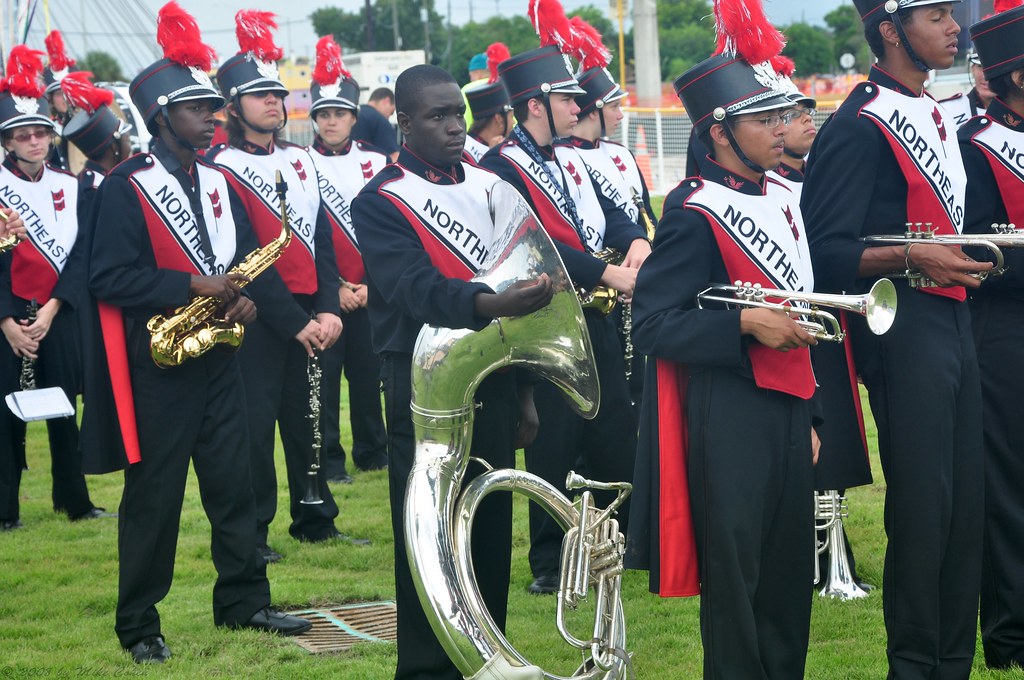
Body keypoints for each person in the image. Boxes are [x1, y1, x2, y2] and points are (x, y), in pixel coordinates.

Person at [86, 2, 312, 662]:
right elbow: (107, 277)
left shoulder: (218, 181)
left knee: (235, 483)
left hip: (221, 357)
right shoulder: (124, 188)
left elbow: (243, 268)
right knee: (154, 499)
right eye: (197, 110)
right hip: (159, 366)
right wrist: (189, 287)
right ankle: (140, 626)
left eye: (213, 107)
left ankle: (244, 601)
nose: (213, 116)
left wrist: (245, 306)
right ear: (162, 117)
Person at [624, 1, 821, 673]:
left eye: (777, 117)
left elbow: (802, 316)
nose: (778, 128)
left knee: (792, 574)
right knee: (736, 581)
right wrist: (741, 322)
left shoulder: (784, 198)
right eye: (761, 120)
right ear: (718, 132)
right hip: (728, 411)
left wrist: (814, 412)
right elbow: (652, 323)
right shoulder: (690, 213)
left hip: (792, 406)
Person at [802, 1, 989, 676]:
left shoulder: (938, 111)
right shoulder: (856, 126)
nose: (953, 27)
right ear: (889, 28)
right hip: (902, 324)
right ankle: (914, 665)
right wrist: (917, 258)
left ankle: (951, 662)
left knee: (966, 502)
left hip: (955, 315)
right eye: (936, 15)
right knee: (923, 508)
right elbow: (822, 252)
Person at [351, 63, 552, 680]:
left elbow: (517, 269)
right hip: (420, 381)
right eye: (437, 116)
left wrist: (523, 391)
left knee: (489, 526)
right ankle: (425, 669)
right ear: (404, 123)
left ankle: (486, 661)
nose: (454, 127)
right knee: (429, 539)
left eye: (457, 114)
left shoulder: (491, 185)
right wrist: (488, 304)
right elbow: (412, 289)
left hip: (491, 373)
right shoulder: (379, 198)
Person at [480, 0, 646, 595]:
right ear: (533, 105)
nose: (582, 107)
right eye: (569, 99)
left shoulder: (576, 159)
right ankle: (549, 561)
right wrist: (606, 274)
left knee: (612, 432)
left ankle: (619, 543)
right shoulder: (501, 165)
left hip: (597, 318)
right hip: (544, 320)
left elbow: (618, 217)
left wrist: (638, 244)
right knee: (553, 442)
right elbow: (536, 244)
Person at [208, 9, 353, 562]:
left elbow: (319, 242)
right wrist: (296, 323)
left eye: (277, 94)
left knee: (309, 418)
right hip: (257, 318)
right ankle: (256, 530)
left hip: (309, 313)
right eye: (259, 95)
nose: (274, 102)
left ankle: (315, 517)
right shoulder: (219, 167)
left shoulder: (301, 160)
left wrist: (326, 307)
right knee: (254, 430)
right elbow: (245, 256)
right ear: (232, 107)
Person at [770, 73, 876, 593]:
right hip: (784, 327)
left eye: (807, 111)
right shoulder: (765, 188)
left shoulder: (818, 177)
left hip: (825, 324)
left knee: (833, 435)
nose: (806, 120)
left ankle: (838, 553)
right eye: (789, 115)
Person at [0, 45, 110, 530]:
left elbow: (81, 255)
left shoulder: (70, 184)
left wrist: (50, 310)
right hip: (5, 319)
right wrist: (7, 320)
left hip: (57, 314)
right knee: (6, 418)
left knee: (66, 409)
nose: (33, 139)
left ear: (50, 134)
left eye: (40, 131)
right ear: (8, 141)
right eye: (22, 134)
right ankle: (5, 510)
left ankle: (74, 500)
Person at [958, 4, 1024, 669]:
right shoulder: (975, 146)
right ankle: (1011, 635)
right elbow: (975, 248)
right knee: (1009, 486)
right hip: (1006, 331)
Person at [560, 17, 657, 416]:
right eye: (614, 105)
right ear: (592, 109)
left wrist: (645, 244)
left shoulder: (621, 153)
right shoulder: (563, 155)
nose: (620, 114)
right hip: (596, 285)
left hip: (636, 274)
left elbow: (643, 212)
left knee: (637, 383)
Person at [306, 36, 389, 479]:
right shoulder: (302, 163)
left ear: (354, 117)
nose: (330, 121)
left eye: (338, 113)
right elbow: (305, 235)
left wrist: (369, 285)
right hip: (328, 292)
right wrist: (334, 286)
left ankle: (373, 451)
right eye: (323, 114)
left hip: (370, 288)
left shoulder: (377, 161)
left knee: (367, 377)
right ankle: (329, 461)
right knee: (325, 381)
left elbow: (386, 231)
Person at [463, 43, 513, 162]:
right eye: (512, 116)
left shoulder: (466, 89)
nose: (513, 122)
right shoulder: (507, 84)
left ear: (477, 74)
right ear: (498, 119)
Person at [42, 31, 75, 171]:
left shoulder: (88, 121)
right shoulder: (46, 130)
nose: (65, 98)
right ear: (50, 99)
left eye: (69, 92)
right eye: (59, 94)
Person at [940, 48, 993, 127]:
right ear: (972, 69)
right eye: (980, 66)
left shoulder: (1017, 110)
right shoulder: (946, 110)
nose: (985, 77)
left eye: (992, 69)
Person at [352, 86, 399, 160]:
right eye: (392, 112)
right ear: (386, 101)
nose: (389, 116)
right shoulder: (380, 120)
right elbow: (394, 157)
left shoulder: (351, 115)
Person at [461, 51, 490, 128]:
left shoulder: (468, 90)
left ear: (477, 73)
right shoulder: (504, 85)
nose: (471, 79)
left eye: (471, 75)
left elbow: (464, 122)